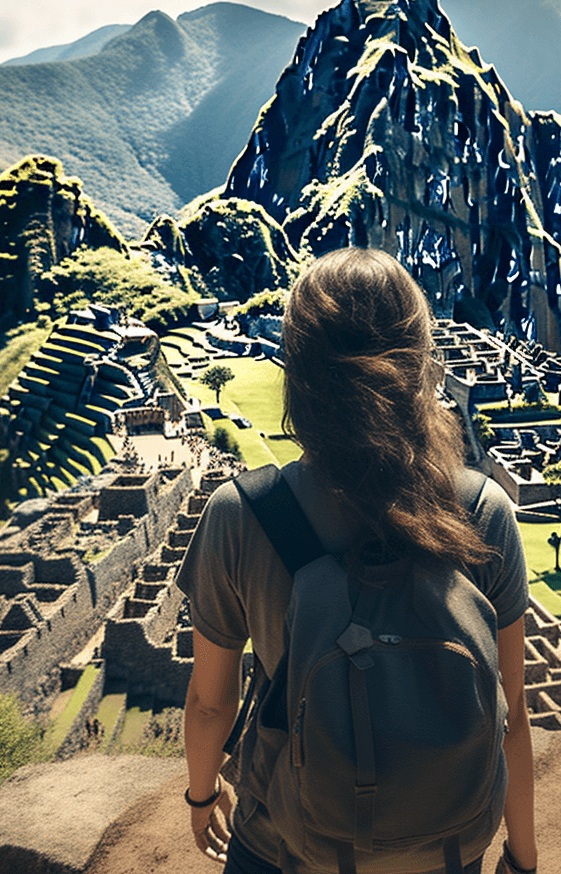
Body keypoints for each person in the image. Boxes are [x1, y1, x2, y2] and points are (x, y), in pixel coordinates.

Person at [178, 247, 537, 874]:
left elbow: (212, 704)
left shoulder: (242, 515)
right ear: (422, 365)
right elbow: (510, 714)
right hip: (443, 844)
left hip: (287, 842)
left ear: (300, 368)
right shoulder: (481, 511)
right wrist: (524, 858)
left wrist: (202, 794)